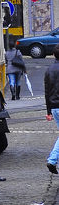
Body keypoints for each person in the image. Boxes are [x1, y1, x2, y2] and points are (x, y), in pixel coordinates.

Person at [45, 43, 59, 175]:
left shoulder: (49, 70)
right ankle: (52, 159)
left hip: (54, 107)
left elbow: (47, 92)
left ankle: (53, 160)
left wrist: (48, 111)